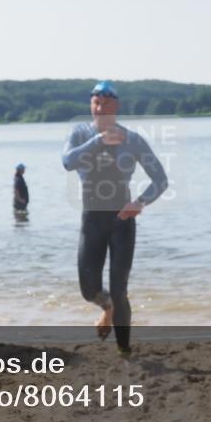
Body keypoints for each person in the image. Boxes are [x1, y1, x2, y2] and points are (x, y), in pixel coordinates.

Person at [61, 81, 168, 356]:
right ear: (91, 105)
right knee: (88, 289)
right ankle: (106, 309)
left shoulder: (132, 139)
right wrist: (98, 141)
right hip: (92, 219)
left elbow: (160, 180)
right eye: (96, 102)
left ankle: (124, 350)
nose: (101, 108)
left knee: (119, 289)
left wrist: (139, 202)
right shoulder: (80, 134)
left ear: (116, 106)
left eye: (107, 103)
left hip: (122, 220)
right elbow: (67, 162)